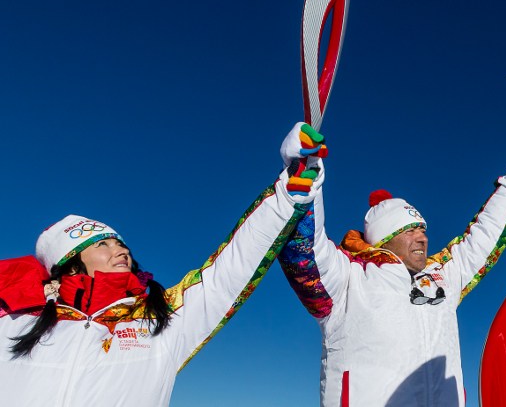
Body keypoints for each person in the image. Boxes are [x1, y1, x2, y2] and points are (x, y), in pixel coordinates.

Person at [0, 122, 326, 407]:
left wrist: (287, 193)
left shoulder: (161, 319)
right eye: (102, 244)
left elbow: (227, 273)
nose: (121, 251)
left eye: (120, 244)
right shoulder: (13, 319)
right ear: (69, 265)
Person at [278, 137, 506, 407]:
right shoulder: (347, 277)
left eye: (423, 230)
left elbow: (485, 235)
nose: (423, 238)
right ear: (383, 239)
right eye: (410, 230)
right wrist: (304, 173)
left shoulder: (443, 277)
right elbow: (305, 249)